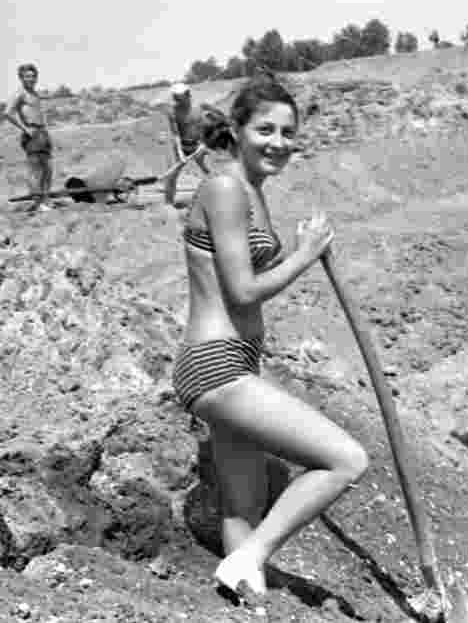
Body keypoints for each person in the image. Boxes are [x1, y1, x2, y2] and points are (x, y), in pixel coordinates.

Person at [172, 77, 368, 598]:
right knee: (346, 460)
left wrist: (298, 251)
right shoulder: (225, 189)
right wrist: (304, 255)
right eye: (265, 130)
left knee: (243, 505)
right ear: (237, 130)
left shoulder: (250, 191)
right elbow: (242, 292)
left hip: (236, 361)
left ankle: (247, 598)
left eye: (288, 132)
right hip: (215, 365)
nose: (278, 142)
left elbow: (248, 271)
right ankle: (250, 558)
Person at [5, 63, 53, 212]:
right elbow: (7, 113)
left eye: (33, 76)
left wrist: (45, 131)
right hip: (31, 133)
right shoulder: (20, 94)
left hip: (42, 132)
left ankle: (45, 201)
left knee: (48, 169)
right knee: (35, 170)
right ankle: (38, 203)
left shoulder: (35, 94)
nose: (31, 79)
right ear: (21, 78)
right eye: (27, 76)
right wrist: (25, 129)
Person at [164, 82, 211, 206]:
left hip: (198, 145)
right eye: (175, 97)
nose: (177, 99)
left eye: (179, 97)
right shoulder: (172, 112)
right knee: (172, 175)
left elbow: (204, 127)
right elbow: (175, 134)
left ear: (187, 94)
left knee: (208, 170)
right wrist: (180, 154)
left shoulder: (199, 108)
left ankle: (220, 193)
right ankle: (168, 203)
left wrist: (203, 144)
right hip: (182, 145)